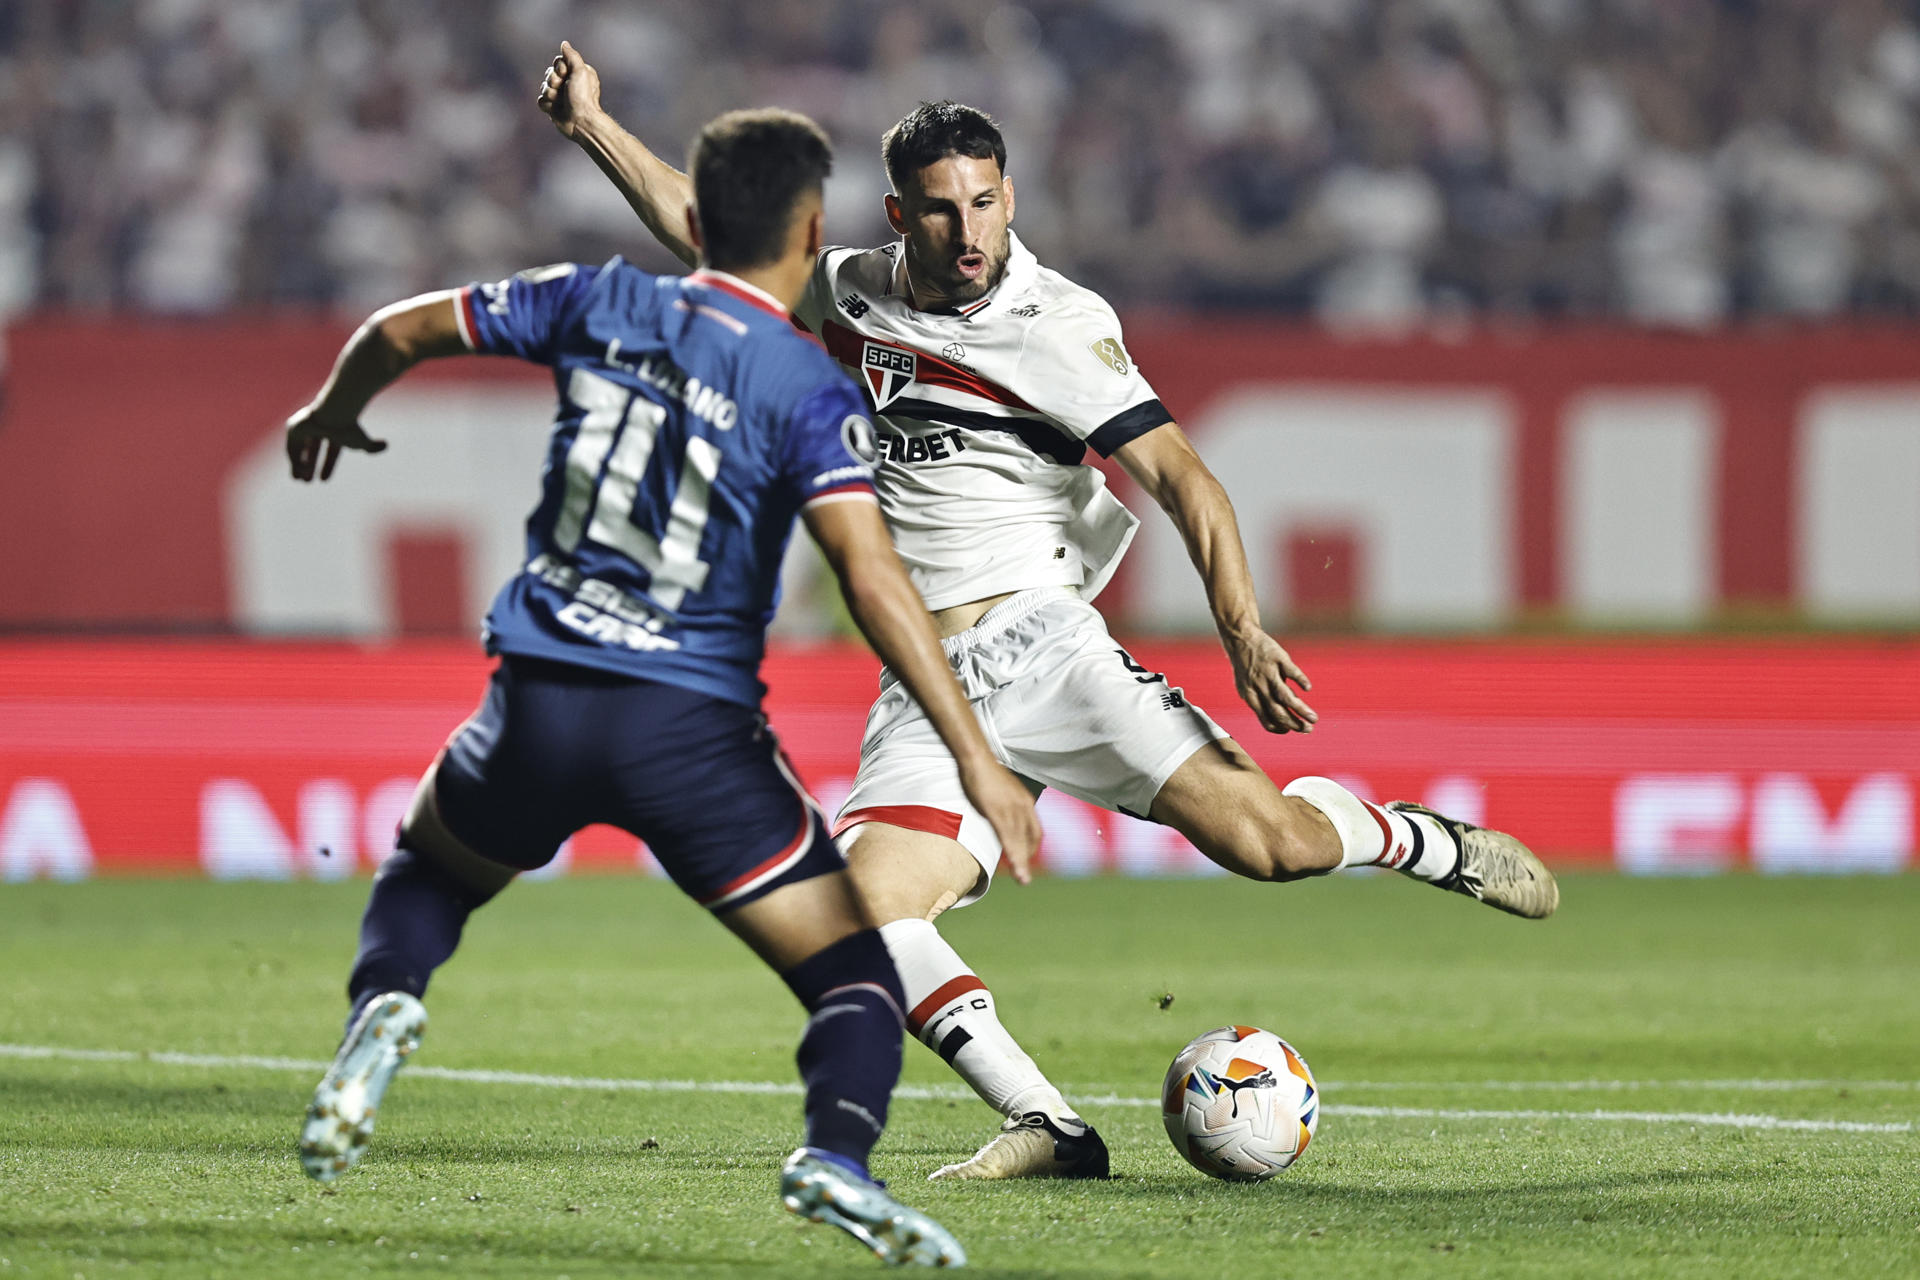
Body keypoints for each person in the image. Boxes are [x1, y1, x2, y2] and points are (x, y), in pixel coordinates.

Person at [539, 44, 1558, 1183]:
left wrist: (1240, 624)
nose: (967, 232)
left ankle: (1410, 836)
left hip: (1048, 649)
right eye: (941, 211)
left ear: (1009, 196)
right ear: (900, 216)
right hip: (927, 685)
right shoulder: (852, 289)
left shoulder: (1058, 324)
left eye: (984, 202)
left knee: (1275, 846)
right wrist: (590, 124)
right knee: (860, 913)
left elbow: (1181, 475)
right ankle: (1051, 1125)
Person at [286, 105, 1041, 1268]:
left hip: (538, 694)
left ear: (697, 218)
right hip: (689, 733)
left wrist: (335, 409)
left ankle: (384, 1006)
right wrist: (980, 758)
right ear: (807, 229)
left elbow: (399, 329)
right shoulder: (803, 382)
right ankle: (835, 1156)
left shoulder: (597, 297)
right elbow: (872, 577)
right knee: (851, 974)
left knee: (432, 868)